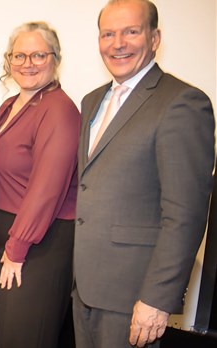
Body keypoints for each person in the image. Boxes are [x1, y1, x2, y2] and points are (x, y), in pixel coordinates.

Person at [73, 1, 215, 347]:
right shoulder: (92, 101)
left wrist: (157, 298)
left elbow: (185, 213)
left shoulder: (181, 102)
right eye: (108, 34)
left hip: (134, 296)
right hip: (85, 288)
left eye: (131, 32)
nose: (117, 43)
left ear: (155, 38)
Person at [0, 22, 80, 348]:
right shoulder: (10, 105)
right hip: (8, 240)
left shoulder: (60, 110)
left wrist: (17, 247)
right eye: (19, 55)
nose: (28, 63)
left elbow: (46, 190)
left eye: (38, 55)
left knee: (20, 338)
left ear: (55, 59)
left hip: (38, 244)